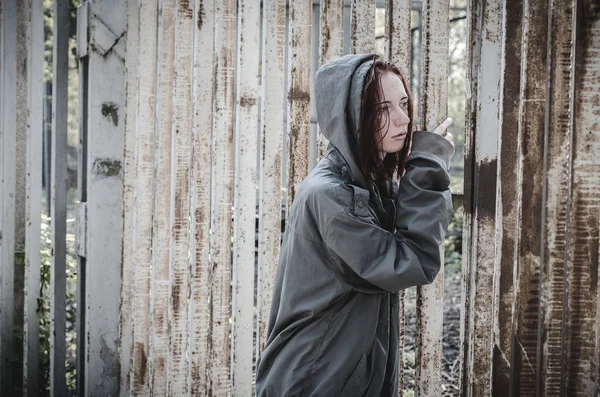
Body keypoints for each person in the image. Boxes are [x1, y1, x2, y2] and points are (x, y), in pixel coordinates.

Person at [255, 53, 455, 397]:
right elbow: (411, 261)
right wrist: (428, 166)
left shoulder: (371, 183)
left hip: (340, 371)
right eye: (382, 109)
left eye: (404, 103)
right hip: (316, 378)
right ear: (350, 116)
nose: (403, 119)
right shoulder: (331, 194)